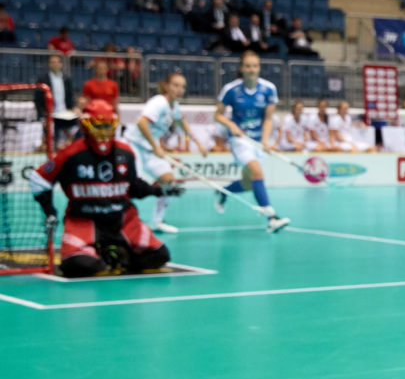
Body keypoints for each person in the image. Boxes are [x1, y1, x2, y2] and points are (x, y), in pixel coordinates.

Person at [29, 99, 175, 277]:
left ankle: (115, 251)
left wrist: (160, 190)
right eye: (98, 126)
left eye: (108, 126)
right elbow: (38, 179)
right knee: (78, 265)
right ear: (85, 126)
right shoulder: (71, 154)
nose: (104, 132)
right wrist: (49, 210)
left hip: (123, 220)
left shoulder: (126, 153)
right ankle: (100, 253)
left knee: (159, 255)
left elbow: (134, 186)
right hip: (83, 220)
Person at [213, 50, 289, 232]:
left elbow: (268, 119)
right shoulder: (231, 90)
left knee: (248, 184)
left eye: (255, 65)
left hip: (257, 140)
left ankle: (224, 191)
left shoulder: (269, 89)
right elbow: (218, 115)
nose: (252, 69)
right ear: (242, 68)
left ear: (259, 67)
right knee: (257, 172)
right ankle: (272, 217)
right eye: (248, 66)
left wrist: (265, 141)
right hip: (240, 140)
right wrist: (230, 125)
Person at [127, 71, 208, 234]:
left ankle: (157, 221)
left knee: (168, 179)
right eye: (176, 85)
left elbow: (182, 122)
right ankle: (124, 221)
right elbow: (142, 122)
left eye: (183, 86)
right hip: (134, 145)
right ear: (166, 86)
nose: (180, 89)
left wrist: (197, 142)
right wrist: (156, 146)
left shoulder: (174, 106)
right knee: (132, 185)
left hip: (150, 148)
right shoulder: (158, 102)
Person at [36, 54, 78, 147]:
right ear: (49, 64)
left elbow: (71, 96)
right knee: (52, 142)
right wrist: (42, 117)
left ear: (61, 64)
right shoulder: (43, 80)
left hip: (66, 113)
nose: (55, 64)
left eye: (57, 62)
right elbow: (38, 100)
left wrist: (74, 108)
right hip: (50, 115)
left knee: (80, 127)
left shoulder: (67, 79)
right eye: (52, 62)